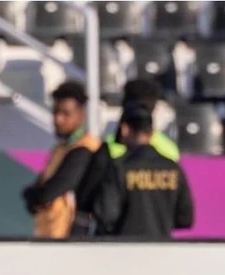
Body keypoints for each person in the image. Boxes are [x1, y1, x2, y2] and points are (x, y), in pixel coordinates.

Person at [73, 78, 179, 235]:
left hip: (117, 242)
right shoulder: (169, 150)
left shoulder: (109, 148)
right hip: (159, 241)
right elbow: (179, 212)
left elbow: (86, 200)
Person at [93, 104, 194, 238]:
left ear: (125, 129)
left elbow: (106, 214)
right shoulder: (173, 168)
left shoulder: (120, 167)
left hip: (126, 249)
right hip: (163, 249)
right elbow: (185, 218)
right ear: (151, 132)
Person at [22, 81, 100, 239]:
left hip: (67, 237)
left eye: (66, 114)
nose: (58, 119)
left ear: (80, 114)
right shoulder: (60, 150)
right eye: (56, 112)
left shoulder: (85, 149)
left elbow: (54, 188)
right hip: (49, 234)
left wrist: (33, 195)